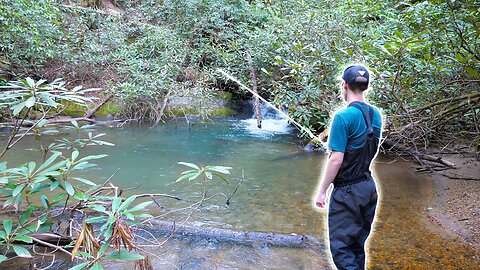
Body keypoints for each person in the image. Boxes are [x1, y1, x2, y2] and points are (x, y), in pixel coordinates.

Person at [314, 64, 382, 270]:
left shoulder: (342, 117)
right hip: (368, 188)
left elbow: (336, 160)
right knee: (356, 246)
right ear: (366, 87)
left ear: (344, 85)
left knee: (341, 250)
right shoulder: (376, 115)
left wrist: (322, 191)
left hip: (348, 193)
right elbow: (368, 149)